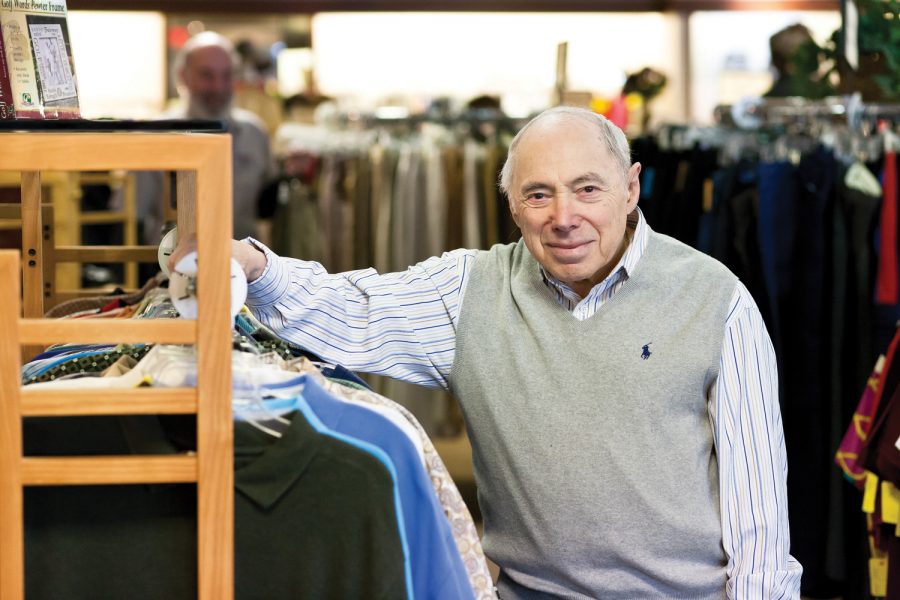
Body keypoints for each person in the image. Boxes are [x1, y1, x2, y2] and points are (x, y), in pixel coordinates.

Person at [173, 106, 802, 598]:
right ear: (510, 203)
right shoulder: (469, 291)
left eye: (588, 189)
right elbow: (351, 309)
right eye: (538, 194)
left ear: (632, 188)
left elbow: (758, 517)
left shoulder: (715, 299)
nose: (563, 216)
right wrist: (254, 265)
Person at [136, 31, 274, 244]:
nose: (218, 87)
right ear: (183, 76)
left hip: (244, 271)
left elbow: (268, 208)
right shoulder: (153, 137)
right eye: (207, 75)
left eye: (227, 75)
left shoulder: (255, 133)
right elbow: (133, 218)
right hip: (169, 270)